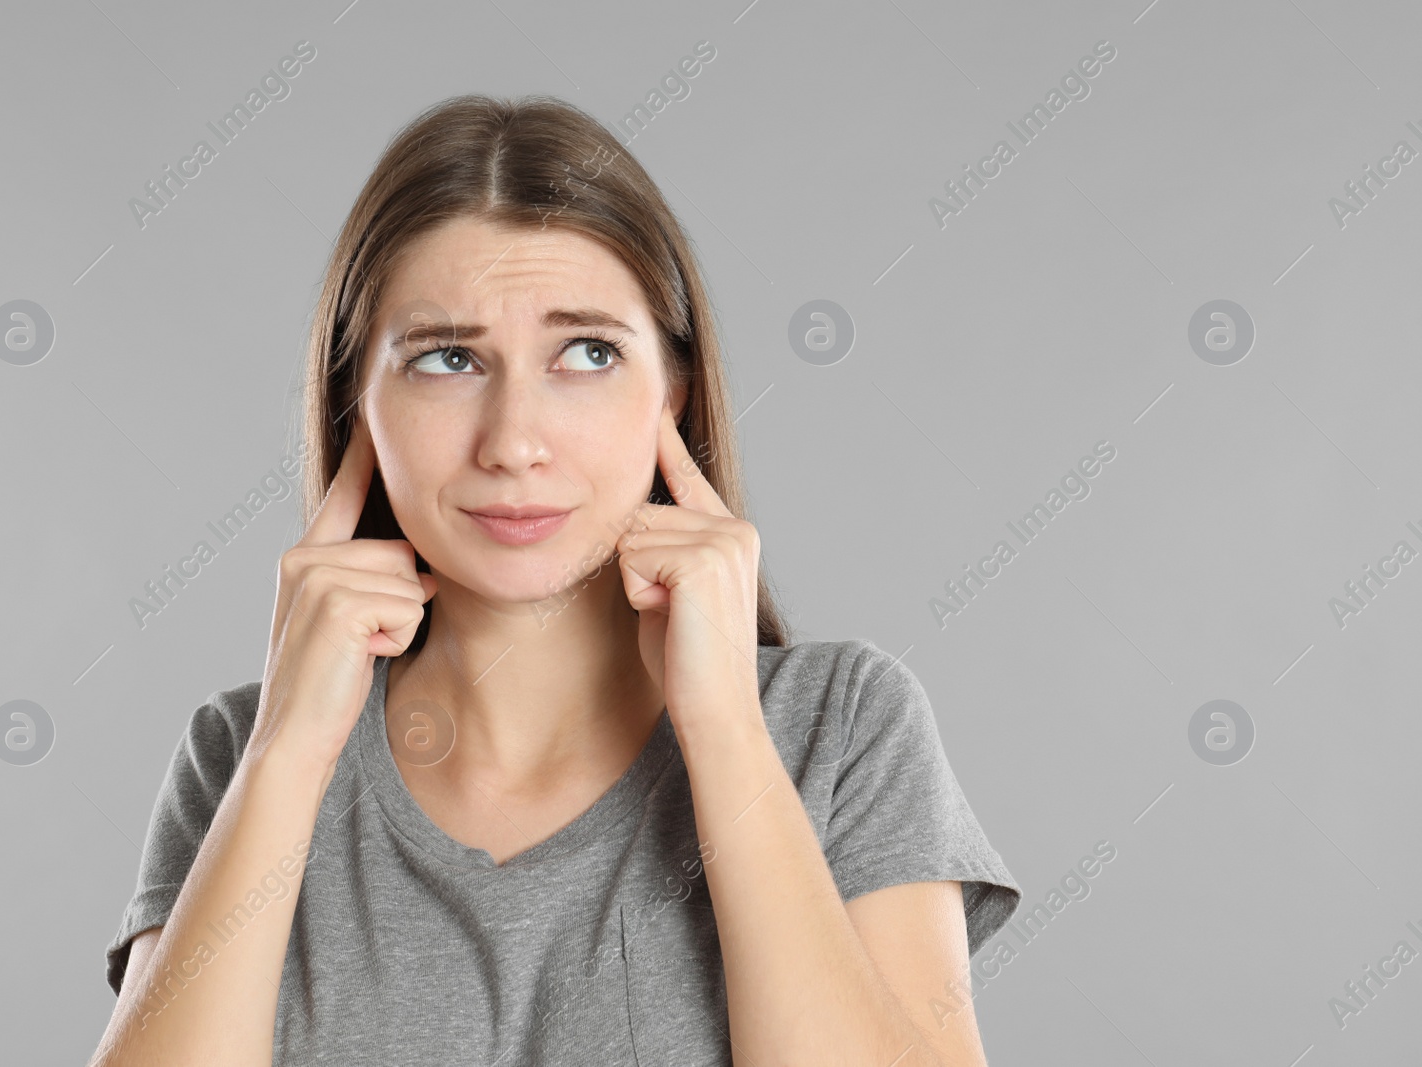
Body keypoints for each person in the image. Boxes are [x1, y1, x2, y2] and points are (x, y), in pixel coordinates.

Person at [88, 93, 1020, 1067]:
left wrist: (726, 732)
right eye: (448, 358)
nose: (514, 441)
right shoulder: (240, 750)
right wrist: (286, 751)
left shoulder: (843, 726)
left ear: (675, 392)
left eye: (587, 353)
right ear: (355, 407)